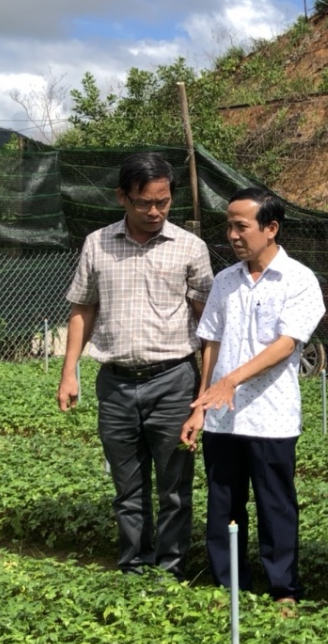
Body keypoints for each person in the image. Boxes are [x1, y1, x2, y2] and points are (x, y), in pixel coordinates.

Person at [57, 152, 214, 580]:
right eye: (144, 202)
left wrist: (205, 391)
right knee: (127, 488)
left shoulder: (190, 247)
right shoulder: (97, 243)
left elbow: (209, 325)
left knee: (175, 488)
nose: (154, 211)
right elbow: (82, 308)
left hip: (174, 381)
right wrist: (69, 371)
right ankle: (134, 566)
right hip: (116, 384)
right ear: (122, 198)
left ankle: (171, 570)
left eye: (163, 202)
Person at [179, 187, 324, 603]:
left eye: (241, 226)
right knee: (223, 503)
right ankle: (229, 586)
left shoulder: (299, 280)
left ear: (271, 228)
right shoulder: (225, 281)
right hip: (222, 417)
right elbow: (211, 342)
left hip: (271, 416)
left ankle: (284, 591)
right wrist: (202, 403)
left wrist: (232, 382)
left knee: (275, 504)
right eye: (228, 226)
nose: (232, 235)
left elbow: (285, 345)